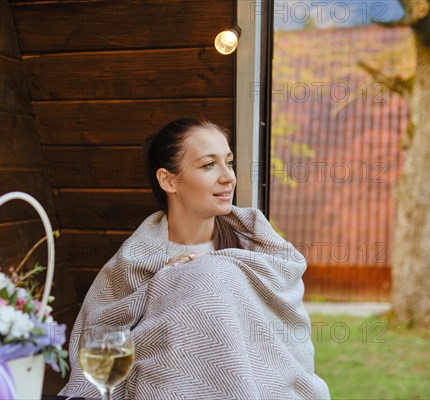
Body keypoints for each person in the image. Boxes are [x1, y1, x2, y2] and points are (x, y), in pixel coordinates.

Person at [60, 119, 331, 399]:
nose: (228, 177)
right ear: (168, 180)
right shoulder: (133, 262)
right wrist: (162, 287)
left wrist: (204, 275)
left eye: (229, 162)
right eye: (209, 165)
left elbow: (284, 341)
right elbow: (99, 340)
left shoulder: (260, 252)